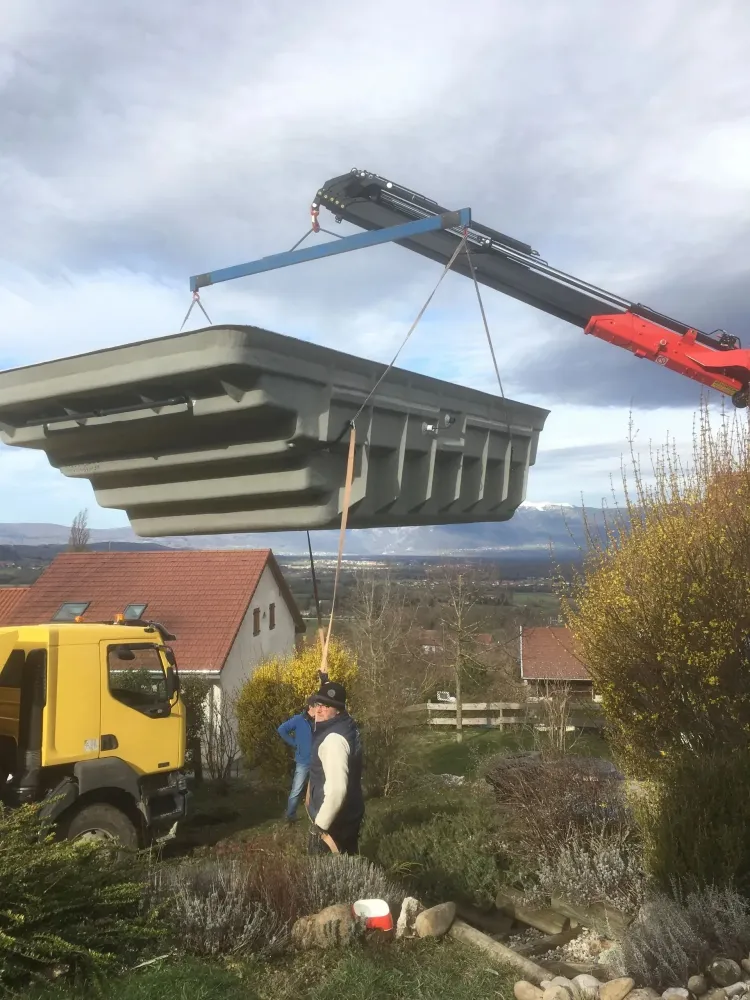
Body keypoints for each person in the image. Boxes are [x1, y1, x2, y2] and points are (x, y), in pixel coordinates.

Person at [307, 679, 364, 856]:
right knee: (349, 860)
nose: (319, 709)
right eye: (318, 704)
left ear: (338, 710)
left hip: (335, 822)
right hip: (349, 812)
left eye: (326, 706)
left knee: (330, 874)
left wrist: (320, 828)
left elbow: (337, 790)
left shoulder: (333, 740)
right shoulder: (346, 726)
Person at [276, 700, 314, 822]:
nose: (320, 709)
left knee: (317, 789)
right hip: (303, 761)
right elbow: (281, 729)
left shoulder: (319, 721)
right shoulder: (299, 720)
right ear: (310, 707)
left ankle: (316, 815)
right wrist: (294, 743)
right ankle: (290, 816)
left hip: (317, 760)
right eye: (317, 706)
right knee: (296, 789)